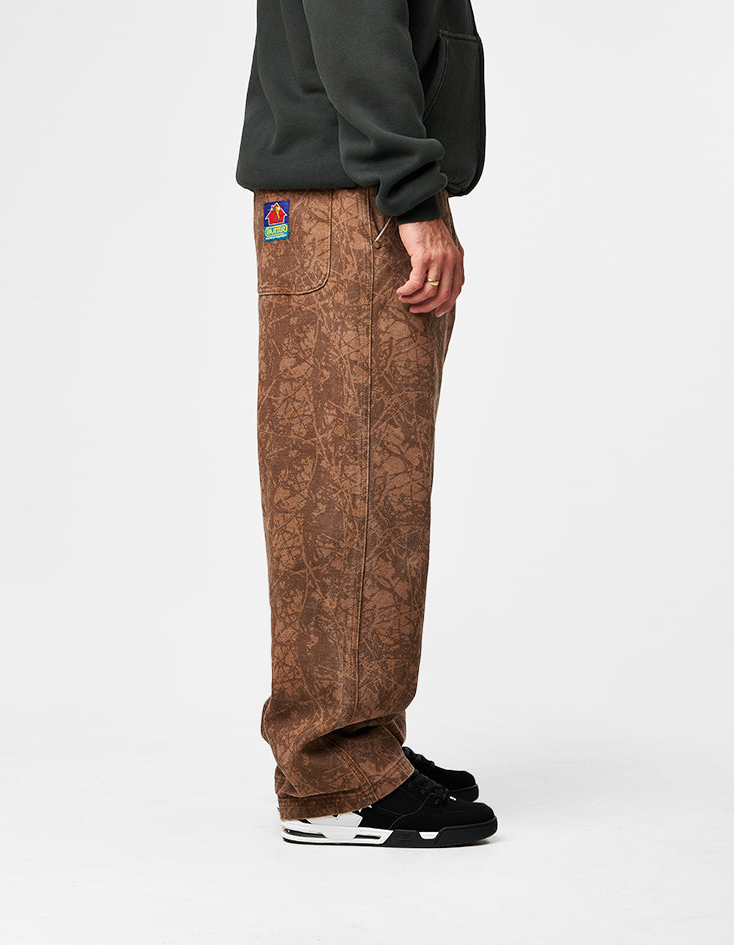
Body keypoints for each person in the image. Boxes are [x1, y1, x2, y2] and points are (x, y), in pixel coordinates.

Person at [235, 0, 497, 847]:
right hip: (356, 197)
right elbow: (357, 27)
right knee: (350, 483)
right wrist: (412, 193)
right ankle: (335, 775)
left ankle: (362, 740)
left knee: (363, 480)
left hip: (354, 189)